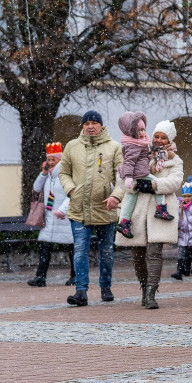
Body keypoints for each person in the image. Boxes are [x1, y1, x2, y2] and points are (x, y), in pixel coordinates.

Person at [115, 120, 184, 308]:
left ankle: (152, 291)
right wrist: (137, 185)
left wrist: (154, 185)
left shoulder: (175, 160)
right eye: (157, 136)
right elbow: (121, 177)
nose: (159, 140)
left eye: (164, 138)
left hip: (159, 210)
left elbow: (174, 182)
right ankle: (144, 287)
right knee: (137, 253)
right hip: (137, 210)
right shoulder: (138, 151)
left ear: (170, 140)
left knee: (154, 252)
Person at [58, 110, 124, 306]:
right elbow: (63, 173)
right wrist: (71, 191)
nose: (90, 126)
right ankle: (81, 292)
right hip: (79, 208)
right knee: (80, 250)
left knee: (106, 251)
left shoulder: (114, 148)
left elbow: (122, 179)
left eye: (94, 122)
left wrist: (115, 196)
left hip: (105, 208)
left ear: (101, 126)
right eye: (86, 123)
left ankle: (105, 286)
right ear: (82, 126)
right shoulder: (72, 146)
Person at [115, 111, 173, 239]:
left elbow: (174, 181)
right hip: (139, 176)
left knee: (132, 198)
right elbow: (129, 162)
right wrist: (130, 177)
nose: (142, 133)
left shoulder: (140, 143)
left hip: (138, 178)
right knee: (156, 184)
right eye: (139, 130)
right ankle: (161, 209)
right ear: (132, 131)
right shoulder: (135, 145)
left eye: (143, 130)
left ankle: (124, 222)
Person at [27, 142, 76, 287]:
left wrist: (63, 210)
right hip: (49, 216)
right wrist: (43, 173)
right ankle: (40, 277)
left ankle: (75, 276)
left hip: (64, 216)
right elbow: (36, 188)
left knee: (71, 248)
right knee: (45, 247)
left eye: (53, 159)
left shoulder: (65, 174)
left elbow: (71, 193)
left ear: (60, 160)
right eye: (48, 159)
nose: (49, 162)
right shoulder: (48, 175)